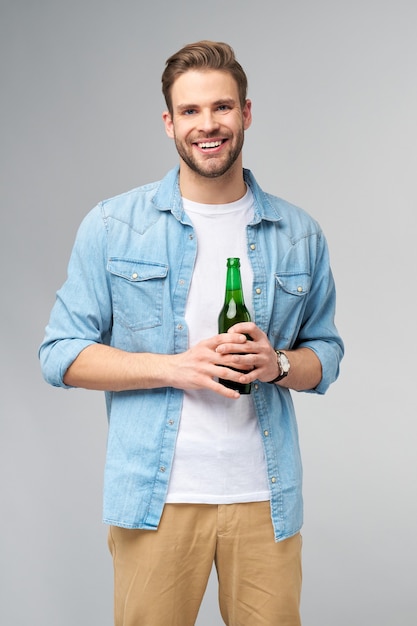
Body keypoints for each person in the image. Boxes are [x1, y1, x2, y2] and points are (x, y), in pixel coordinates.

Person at [39, 40, 344, 626]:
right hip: (157, 501)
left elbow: (326, 354)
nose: (209, 125)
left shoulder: (298, 233)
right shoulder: (111, 226)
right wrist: (173, 367)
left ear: (246, 114)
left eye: (223, 108)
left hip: (265, 499)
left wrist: (277, 364)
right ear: (169, 122)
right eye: (191, 111)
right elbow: (60, 354)